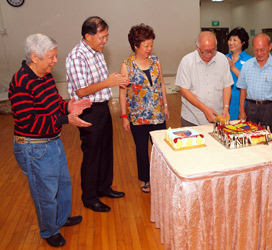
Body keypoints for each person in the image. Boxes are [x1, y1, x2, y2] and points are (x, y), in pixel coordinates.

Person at [8, 33, 92, 247]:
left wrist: (69, 107)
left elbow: (54, 103)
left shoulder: (45, 75)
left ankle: (61, 219)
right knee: (45, 193)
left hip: (51, 141)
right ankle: (49, 230)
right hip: (33, 148)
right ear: (34, 57)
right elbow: (29, 122)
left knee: (63, 184)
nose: (55, 61)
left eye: (55, 56)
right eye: (51, 57)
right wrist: (66, 118)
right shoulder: (20, 83)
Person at [66, 16, 129, 212]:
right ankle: (90, 197)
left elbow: (102, 82)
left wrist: (115, 81)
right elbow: (81, 91)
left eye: (106, 37)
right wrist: (108, 83)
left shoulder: (97, 52)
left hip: (102, 107)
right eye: (101, 37)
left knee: (105, 150)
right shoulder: (77, 56)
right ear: (88, 36)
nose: (105, 41)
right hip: (87, 109)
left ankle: (104, 187)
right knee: (92, 154)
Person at [119, 24, 169, 193]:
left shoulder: (156, 61)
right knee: (141, 149)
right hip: (138, 116)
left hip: (157, 114)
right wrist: (124, 116)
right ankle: (145, 179)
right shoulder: (127, 65)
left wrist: (166, 106)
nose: (150, 48)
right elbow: (122, 93)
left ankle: (160, 175)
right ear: (135, 45)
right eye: (146, 45)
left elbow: (161, 83)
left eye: (151, 45)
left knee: (160, 148)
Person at [175, 31, 233, 126]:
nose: (209, 54)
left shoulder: (222, 59)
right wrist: (205, 109)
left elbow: (227, 85)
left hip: (217, 117)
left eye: (212, 50)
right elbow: (184, 90)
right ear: (197, 47)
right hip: (192, 119)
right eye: (205, 51)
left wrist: (226, 107)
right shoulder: (187, 62)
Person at [236, 33, 272, 135]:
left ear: (270, 46)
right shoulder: (247, 66)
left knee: (269, 138)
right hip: (251, 107)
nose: (259, 53)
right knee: (249, 137)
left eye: (262, 49)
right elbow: (243, 90)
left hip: (269, 108)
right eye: (256, 50)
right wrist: (241, 111)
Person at [226, 27, 253, 120]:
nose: (231, 42)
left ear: (243, 43)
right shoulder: (224, 58)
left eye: (235, 40)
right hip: (225, 99)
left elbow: (248, 81)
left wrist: (233, 67)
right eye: (229, 39)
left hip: (241, 100)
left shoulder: (250, 60)